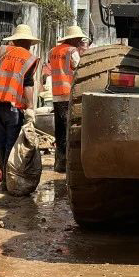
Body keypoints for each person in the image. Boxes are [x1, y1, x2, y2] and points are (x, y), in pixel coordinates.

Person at [0, 24, 39, 186]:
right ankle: (9, 180)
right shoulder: (29, 58)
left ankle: (4, 176)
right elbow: (28, 85)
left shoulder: (1, 51)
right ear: (28, 42)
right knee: (11, 142)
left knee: (0, 140)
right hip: (13, 108)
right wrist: (30, 108)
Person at [45, 25, 88, 173]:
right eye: (78, 39)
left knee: (59, 130)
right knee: (68, 129)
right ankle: (66, 163)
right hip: (68, 93)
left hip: (56, 95)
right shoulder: (72, 51)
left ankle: (59, 162)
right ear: (73, 39)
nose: (79, 41)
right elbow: (79, 69)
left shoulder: (53, 51)